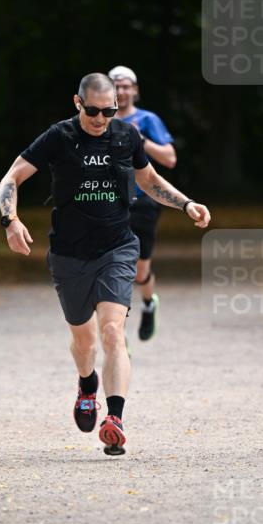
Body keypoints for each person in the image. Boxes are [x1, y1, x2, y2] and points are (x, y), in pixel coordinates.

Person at [0, 72, 210, 455]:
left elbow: (148, 180)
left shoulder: (126, 135)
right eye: (92, 110)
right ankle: (86, 385)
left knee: (113, 331)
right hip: (69, 253)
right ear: (78, 103)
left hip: (117, 247)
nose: (99, 119)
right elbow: (11, 177)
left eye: (108, 110)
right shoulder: (59, 137)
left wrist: (186, 203)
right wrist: (10, 220)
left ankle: (115, 419)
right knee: (84, 341)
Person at [109, 65, 176, 341]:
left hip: (144, 201)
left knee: (139, 271)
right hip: (109, 202)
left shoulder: (148, 119)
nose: (122, 91)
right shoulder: (100, 119)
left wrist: (140, 139)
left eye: (126, 86)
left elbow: (169, 159)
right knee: (110, 268)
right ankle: (116, 333)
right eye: (116, 86)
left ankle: (149, 303)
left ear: (134, 90)